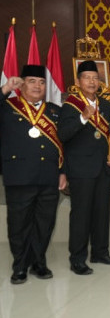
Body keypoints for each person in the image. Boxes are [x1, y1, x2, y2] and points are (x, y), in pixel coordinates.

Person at [1, 65, 66, 284]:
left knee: (44, 223)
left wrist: (62, 171)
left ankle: (39, 262)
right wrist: (5, 88)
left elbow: (62, 144)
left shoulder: (54, 111)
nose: (37, 86)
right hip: (19, 175)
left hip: (48, 175)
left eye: (41, 82)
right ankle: (19, 266)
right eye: (31, 81)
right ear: (21, 84)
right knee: (18, 224)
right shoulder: (8, 106)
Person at [58, 60, 110, 276]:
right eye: (87, 78)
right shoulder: (70, 106)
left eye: (95, 78)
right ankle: (77, 258)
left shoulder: (104, 104)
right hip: (81, 169)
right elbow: (63, 135)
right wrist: (83, 117)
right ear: (78, 81)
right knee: (81, 215)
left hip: (103, 167)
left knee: (101, 213)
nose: (92, 82)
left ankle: (100, 252)